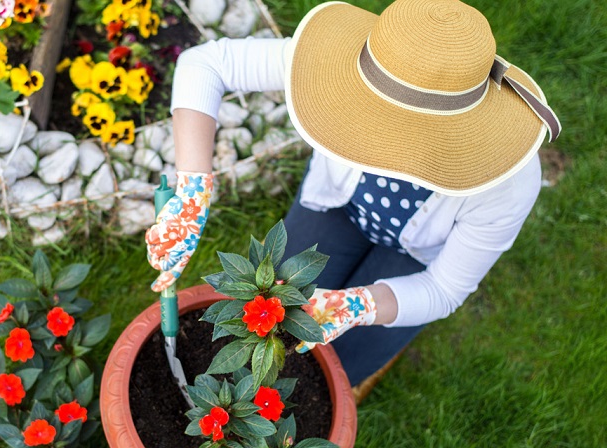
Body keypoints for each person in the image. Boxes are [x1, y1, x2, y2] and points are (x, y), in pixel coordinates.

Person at [145, 0, 560, 390]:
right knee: (269, 313)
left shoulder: (508, 180)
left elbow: (443, 289)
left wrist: (358, 305)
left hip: (416, 253)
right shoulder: (339, 64)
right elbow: (206, 65)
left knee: (334, 370)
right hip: (337, 205)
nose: (377, 147)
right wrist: (193, 190)